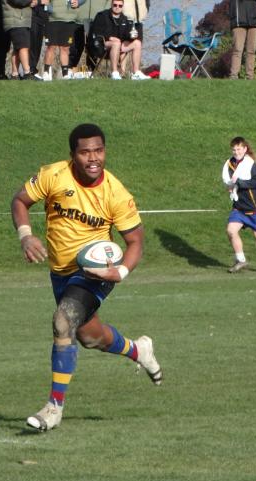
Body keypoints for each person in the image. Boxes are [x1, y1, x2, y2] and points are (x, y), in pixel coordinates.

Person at [11, 123, 162, 432]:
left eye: (99, 150)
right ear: (72, 155)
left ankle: (53, 408)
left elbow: (135, 242)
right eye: (85, 152)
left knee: (63, 321)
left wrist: (118, 272)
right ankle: (138, 350)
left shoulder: (116, 193)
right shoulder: (54, 175)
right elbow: (20, 201)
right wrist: (26, 236)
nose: (93, 158)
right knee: (89, 337)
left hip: (96, 272)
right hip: (61, 273)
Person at [222, 136, 256, 274]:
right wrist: (230, 186)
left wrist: (240, 183)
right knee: (231, 230)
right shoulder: (229, 163)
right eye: (234, 149)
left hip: (255, 208)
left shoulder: (250, 164)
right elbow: (228, 181)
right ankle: (240, 260)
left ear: (245, 149)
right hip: (239, 208)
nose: (236, 152)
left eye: (239, 149)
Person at [89, 0, 150, 79]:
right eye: (115, 5)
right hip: (102, 45)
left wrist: (131, 36)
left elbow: (125, 35)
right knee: (116, 43)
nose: (117, 7)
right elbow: (95, 32)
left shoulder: (124, 18)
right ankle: (114, 73)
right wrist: (109, 38)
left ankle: (136, 73)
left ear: (122, 7)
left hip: (119, 45)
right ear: (111, 4)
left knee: (137, 43)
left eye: (120, 6)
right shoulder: (102, 15)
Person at [41, 0, 88, 80]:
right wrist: (50, 9)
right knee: (51, 46)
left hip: (69, 19)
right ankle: (46, 72)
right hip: (53, 20)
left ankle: (65, 74)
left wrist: (79, 2)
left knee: (65, 48)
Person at [2, 0, 39, 79]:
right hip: (16, 20)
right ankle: (27, 73)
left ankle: (14, 74)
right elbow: (18, 1)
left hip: (21, 20)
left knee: (18, 48)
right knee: (23, 46)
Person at [228, 0, 256, 79]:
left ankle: (250, 76)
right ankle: (234, 75)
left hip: (254, 20)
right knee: (237, 49)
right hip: (238, 19)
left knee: (252, 50)